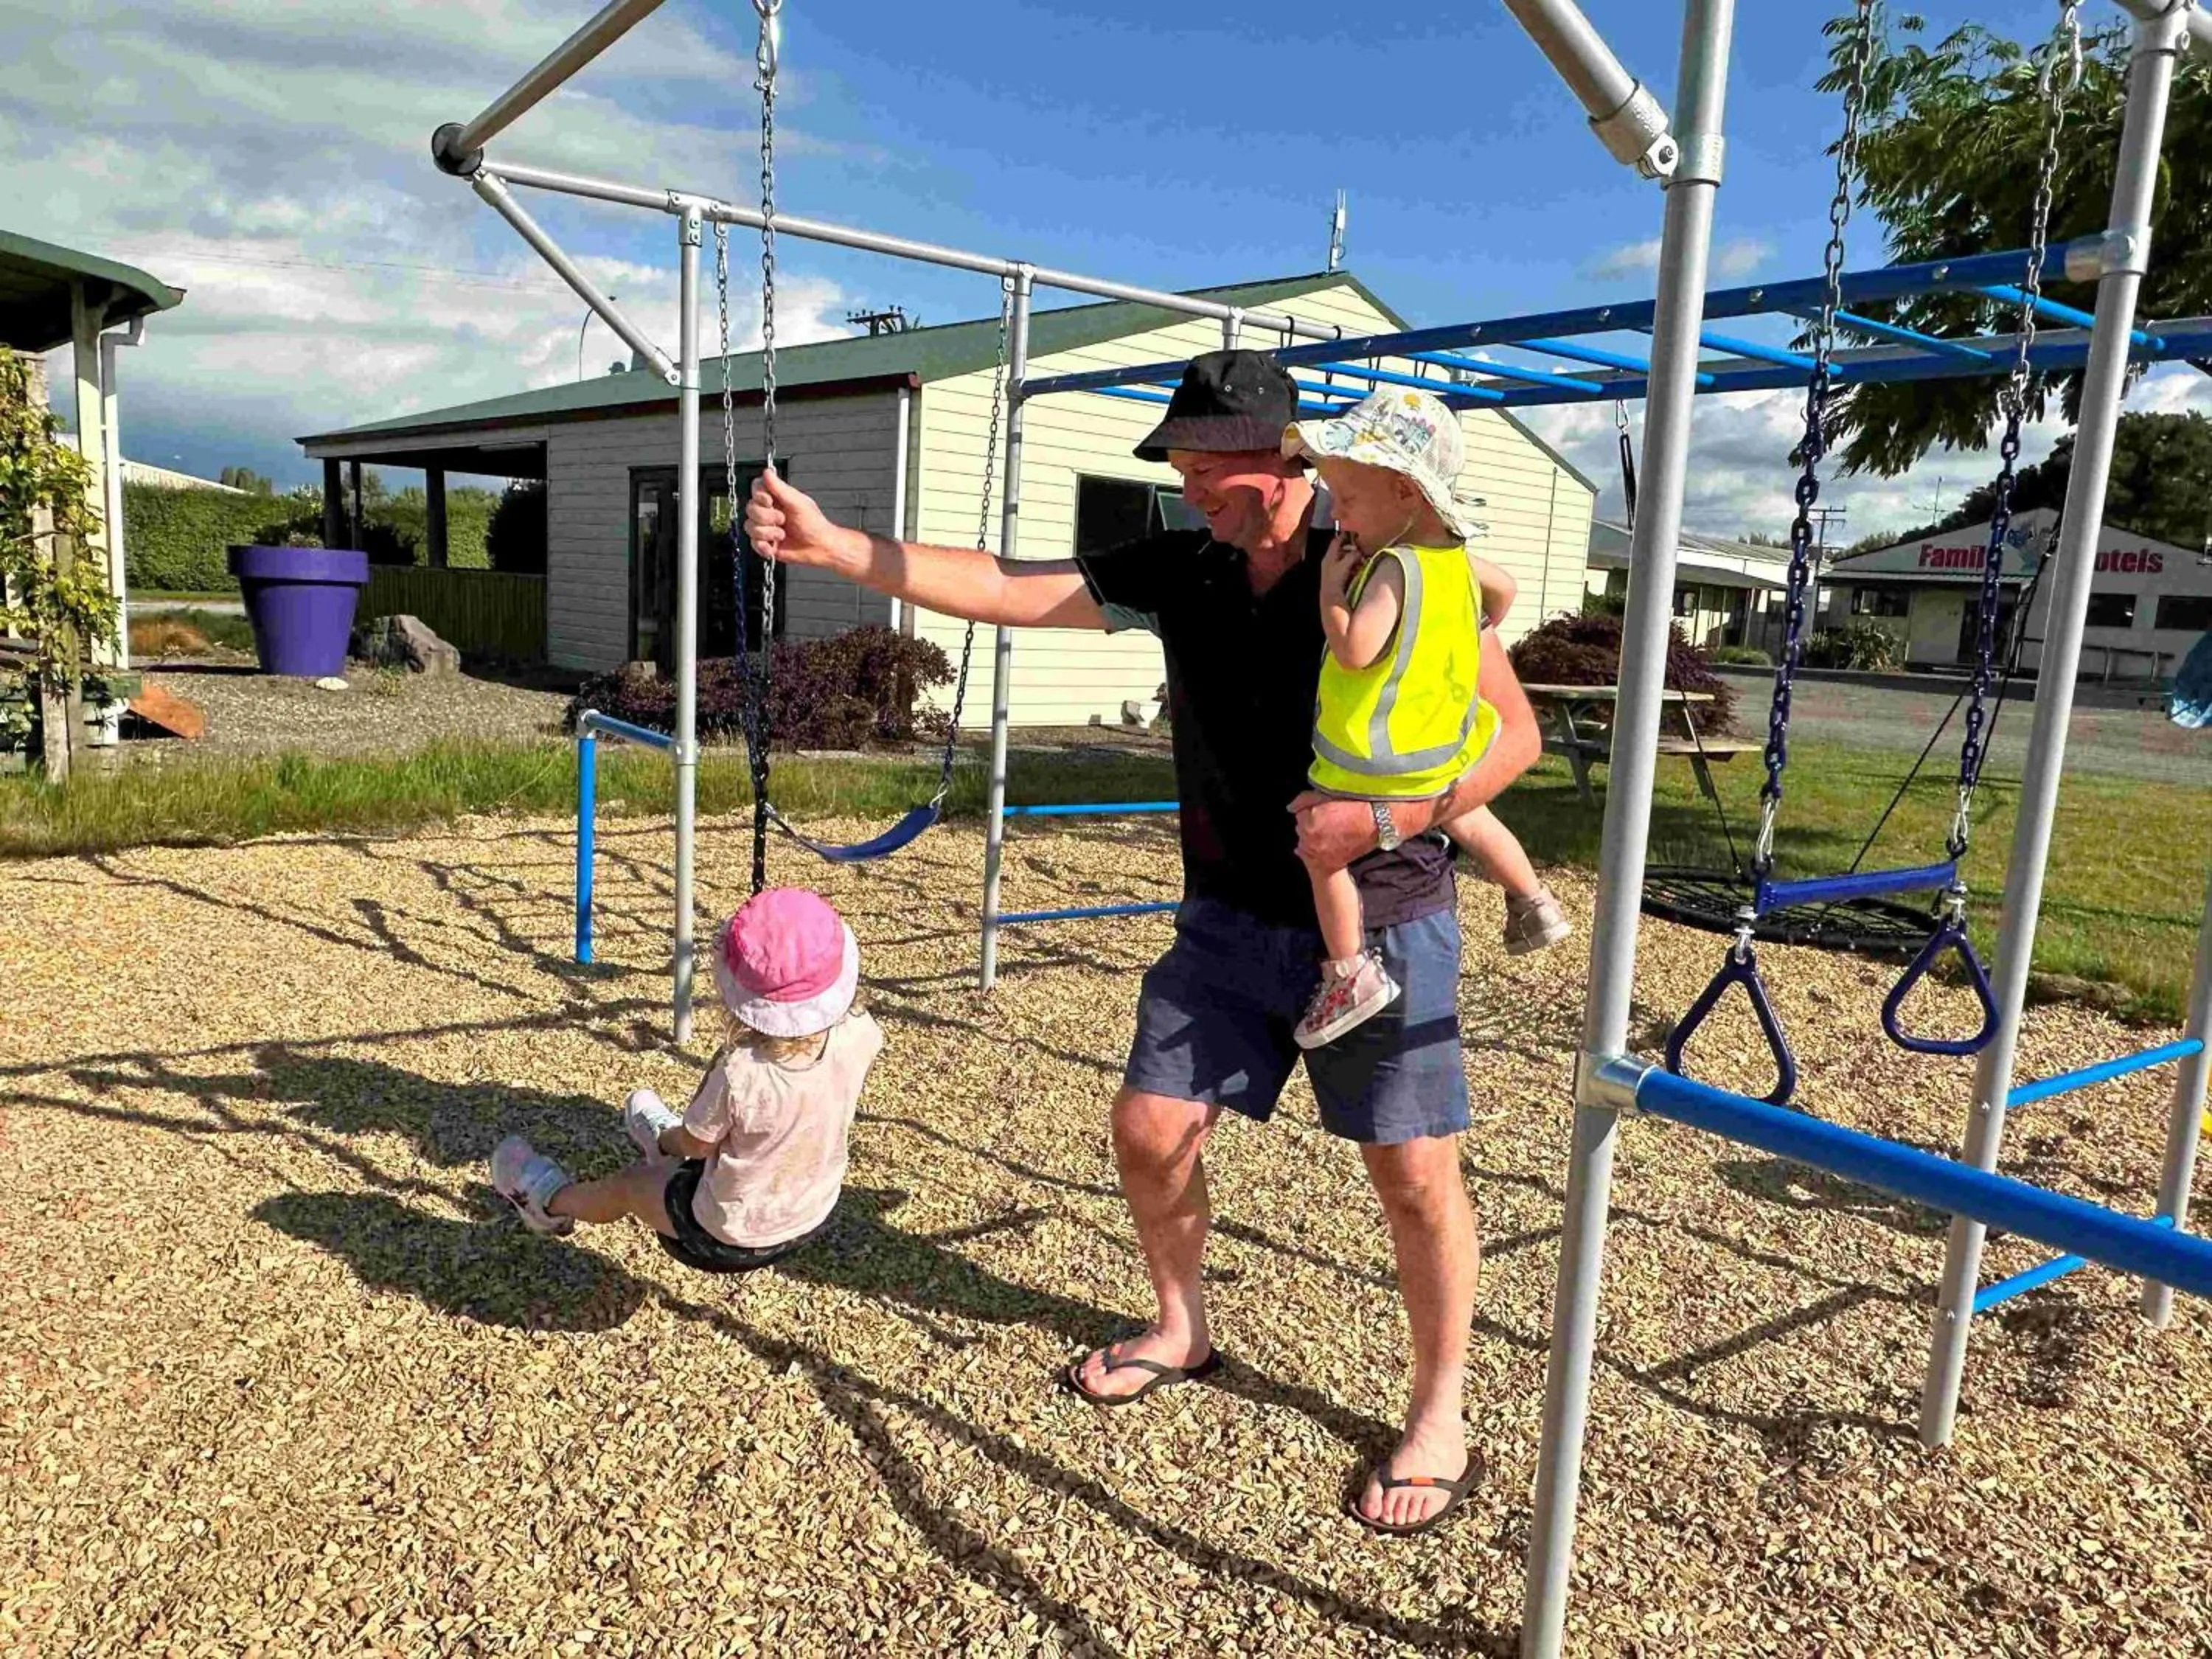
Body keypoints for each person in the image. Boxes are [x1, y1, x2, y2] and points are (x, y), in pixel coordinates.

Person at [744, 348, 1544, 1535]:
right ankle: (1182, 1325)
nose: (1190, 496)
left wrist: (1396, 814)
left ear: (1282, 462)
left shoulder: (1402, 554)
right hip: (1228, 910)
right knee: (1149, 1125)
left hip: (1388, 909)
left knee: (1416, 1174)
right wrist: (845, 549)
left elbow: (1513, 734)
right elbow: (1010, 587)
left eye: (1206, 474)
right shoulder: (1185, 566)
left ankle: (1440, 1411)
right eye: (1179, 473)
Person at [1283, 386, 1569, 1048]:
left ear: (1407, 494)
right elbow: (1507, 591)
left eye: (1349, 502)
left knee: (1319, 848)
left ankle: (1349, 970)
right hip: (1439, 746)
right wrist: (1474, 619)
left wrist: (1330, 593)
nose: (1340, 517)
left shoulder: (1393, 567)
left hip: (1373, 760)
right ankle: (1532, 899)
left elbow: (1356, 651)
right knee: (1468, 811)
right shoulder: (1456, 564)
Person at [490, 888, 883, 1273]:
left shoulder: (743, 1072)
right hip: (811, 1208)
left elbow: (697, 1145)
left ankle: (545, 1202)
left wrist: (671, 1140)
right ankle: (668, 1155)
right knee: (752, 1136)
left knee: (630, 1185)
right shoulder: (861, 1032)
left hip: (725, 1235)